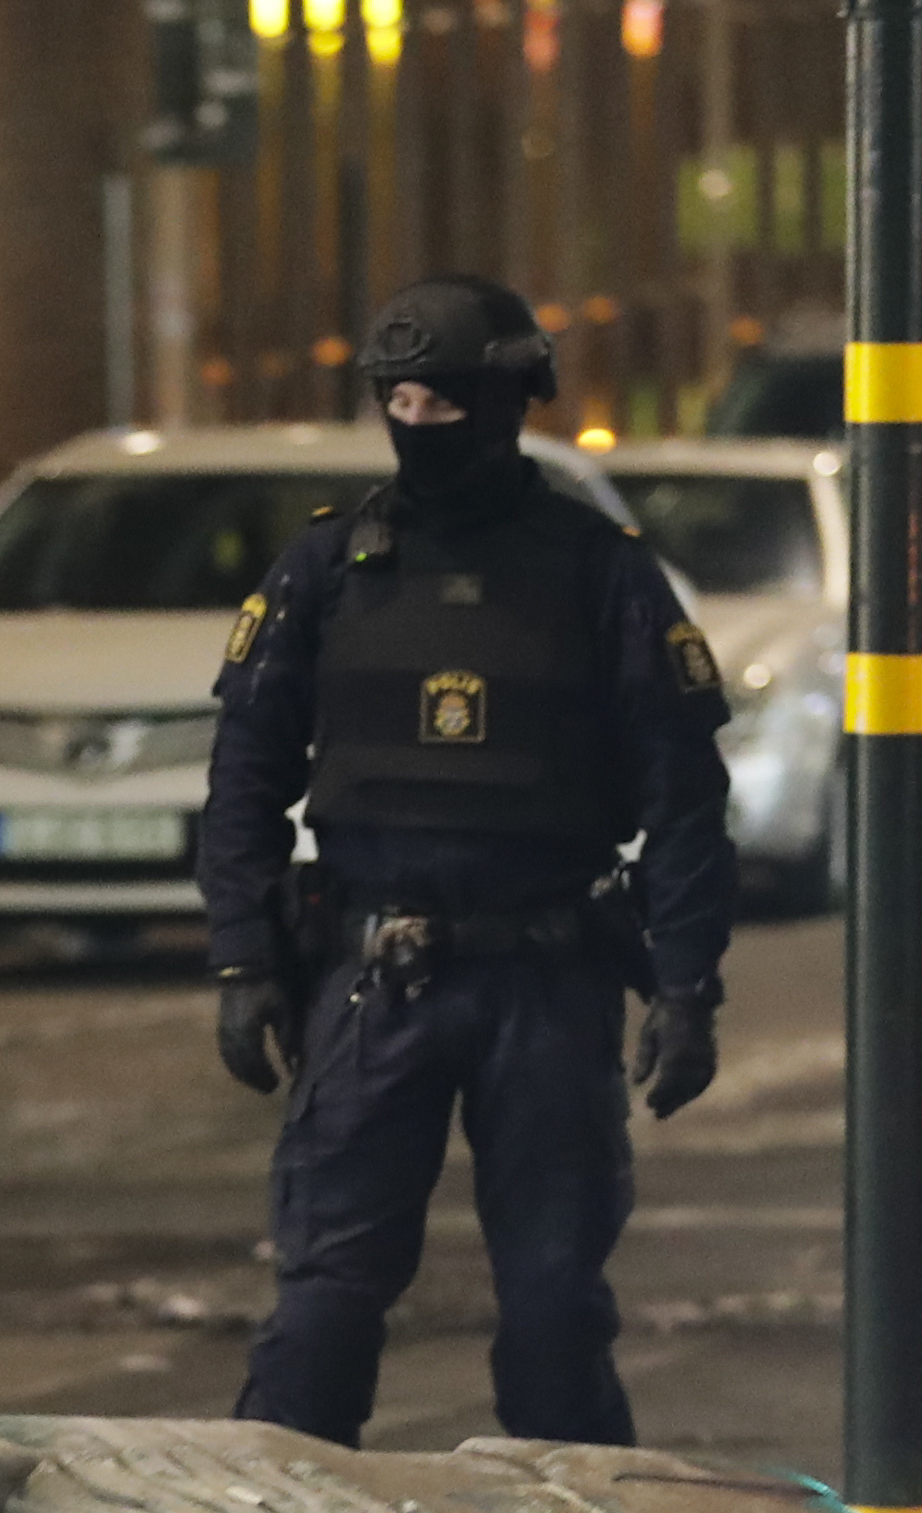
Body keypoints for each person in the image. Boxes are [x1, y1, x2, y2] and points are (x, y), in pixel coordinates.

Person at [198, 275, 737, 1449]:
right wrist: (244, 958)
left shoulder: (599, 573)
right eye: (398, 400)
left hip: (543, 976)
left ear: (510, 399)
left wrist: (688, 986)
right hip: (369, 974)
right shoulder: (329, 570)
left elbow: (685, 798)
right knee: (325, 1302)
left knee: (551, 1309)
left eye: (444, 398)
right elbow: (242, 774)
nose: (419, 420)